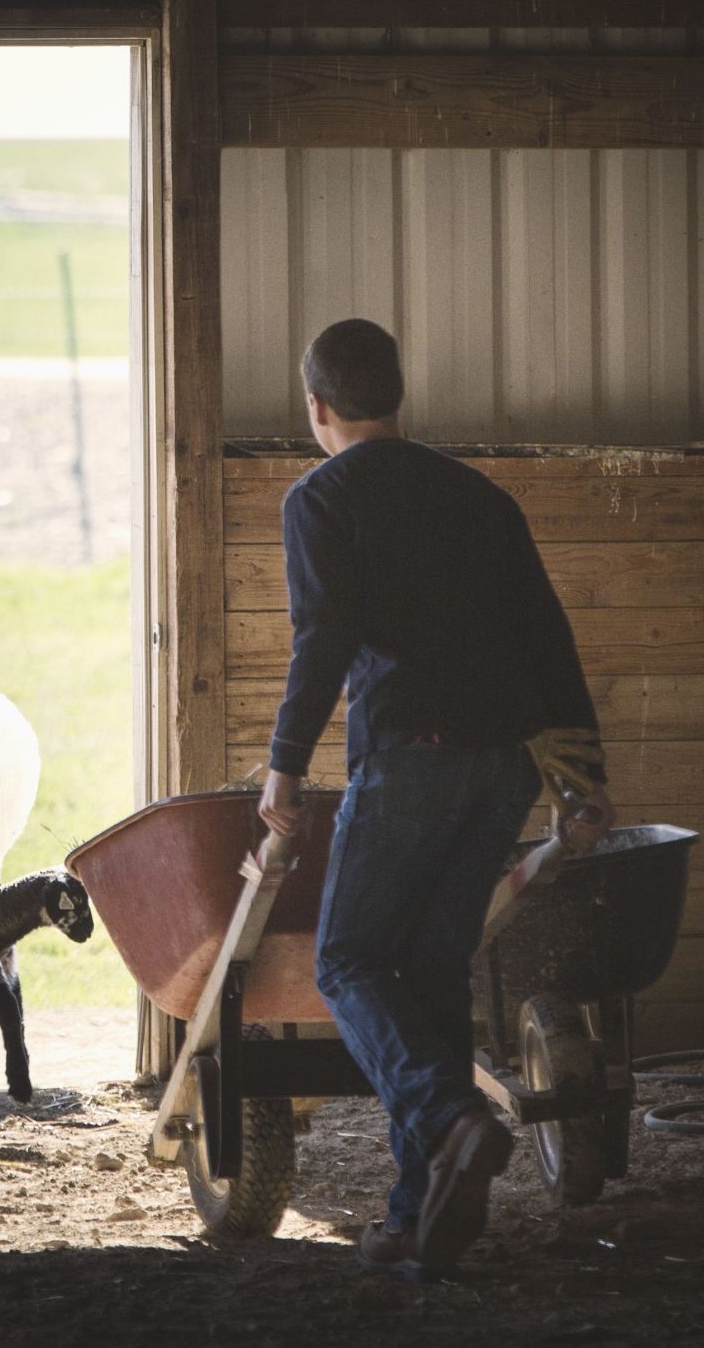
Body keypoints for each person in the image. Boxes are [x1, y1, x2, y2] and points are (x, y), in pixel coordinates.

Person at [256, 318, 614, 1275]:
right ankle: (424, 1215)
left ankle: (450, 1120)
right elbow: (550, 639)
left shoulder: (320, 499)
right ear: (400, 397)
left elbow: (322, 639)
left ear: (316, 408)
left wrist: (283, 767)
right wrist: (584, 783)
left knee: (350, 965)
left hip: (409, 760)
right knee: (435, 973)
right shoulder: (481, 498)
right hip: (501, 769)